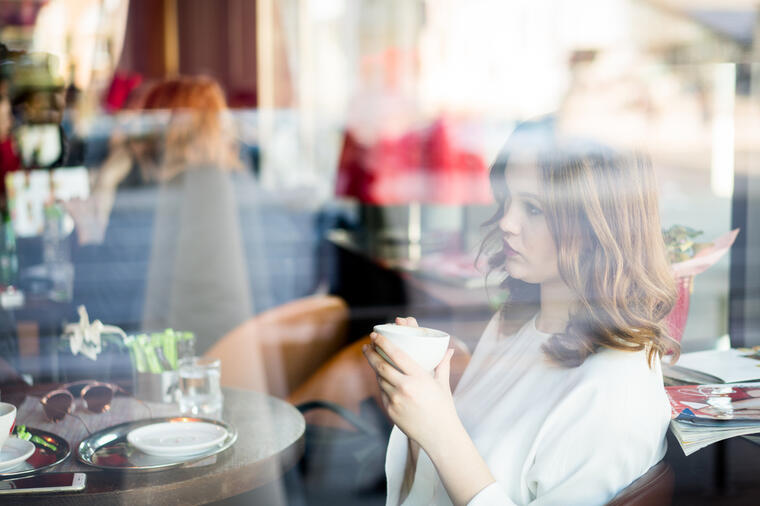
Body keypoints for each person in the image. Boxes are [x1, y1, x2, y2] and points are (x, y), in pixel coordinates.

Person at [363, 126, 679, 505]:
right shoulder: (512, 325)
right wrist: (425, 405)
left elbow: (455, 452)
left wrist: (439, 429)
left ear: (597, 228)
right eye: (508, 201)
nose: (506, 223)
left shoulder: (613, 393)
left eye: (533, 208)